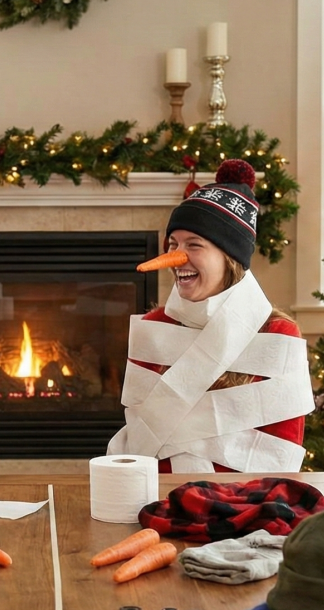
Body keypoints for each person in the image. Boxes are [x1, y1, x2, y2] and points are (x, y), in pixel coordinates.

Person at [106, 160, 310, 472]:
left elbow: (277, 456)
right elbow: (141, 443)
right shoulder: (153, 329)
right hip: (154, 499)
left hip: (246, 504)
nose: (176, 257)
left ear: (229, 257)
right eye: (173, 243)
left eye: (194, 245)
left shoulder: (278, 336)